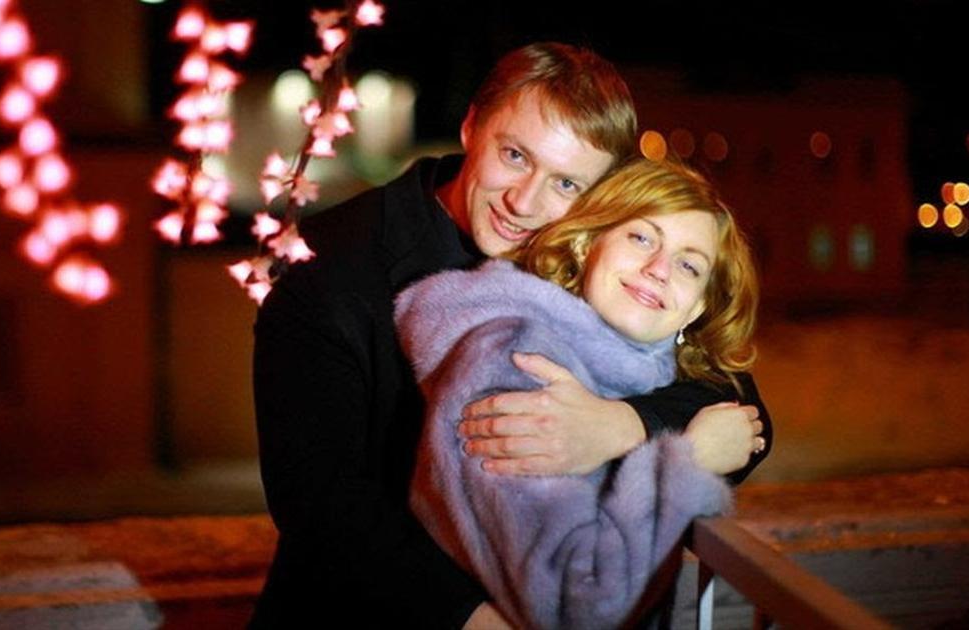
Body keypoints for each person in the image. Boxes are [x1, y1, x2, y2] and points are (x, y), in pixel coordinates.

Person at [251, 42, 771, 628]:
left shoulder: (582, 252)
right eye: (515, 154)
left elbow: (736, 403)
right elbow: (318, 501)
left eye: (566, 184)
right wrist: (472, 618)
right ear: (472, 125)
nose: (524, 203)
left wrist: (620, 426)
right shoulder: (325, 266)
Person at [397, 157, 761, 629]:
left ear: (696, 308)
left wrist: (630, 429)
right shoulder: (518, 361)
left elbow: (741, 397)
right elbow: (579, 603)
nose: (658, 269)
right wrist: (687, 461)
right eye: (641, 238)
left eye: (689, 265)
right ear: (588, 243)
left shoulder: (644, 376)